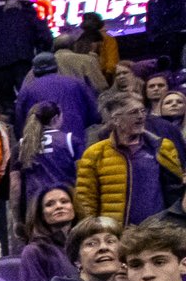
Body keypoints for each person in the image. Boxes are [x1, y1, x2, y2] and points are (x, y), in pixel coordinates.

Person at [75, 97, 179, 227]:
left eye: (142, 111)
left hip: (157, 230)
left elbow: (176, 188)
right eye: (133, 112)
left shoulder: (162, 147)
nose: (140, 116)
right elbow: (86, 199)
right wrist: (91, 229)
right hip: (115, 231)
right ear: (116, 119)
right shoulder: (95, 153)